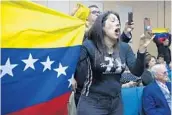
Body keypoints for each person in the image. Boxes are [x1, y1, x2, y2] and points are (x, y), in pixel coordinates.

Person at [75, 11, 154, 115]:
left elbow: (137, 72)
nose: (117, 23)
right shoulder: (89, 45)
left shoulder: (124, 48)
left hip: (116, 102)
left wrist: (142, 49)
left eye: (118, 22)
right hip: (93, 102)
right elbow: (78, 72)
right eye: (113, 20)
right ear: (102, 26)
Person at [73, 5, 134, 107]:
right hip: (83, 85)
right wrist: (70, 75)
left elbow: (115, 46)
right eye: (93, 12)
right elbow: (72, 54)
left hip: (104, 84)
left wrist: (126, 33)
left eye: (98, 12)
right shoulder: (79, 31)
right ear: (86, 16)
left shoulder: (104, 32)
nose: (97, 14)